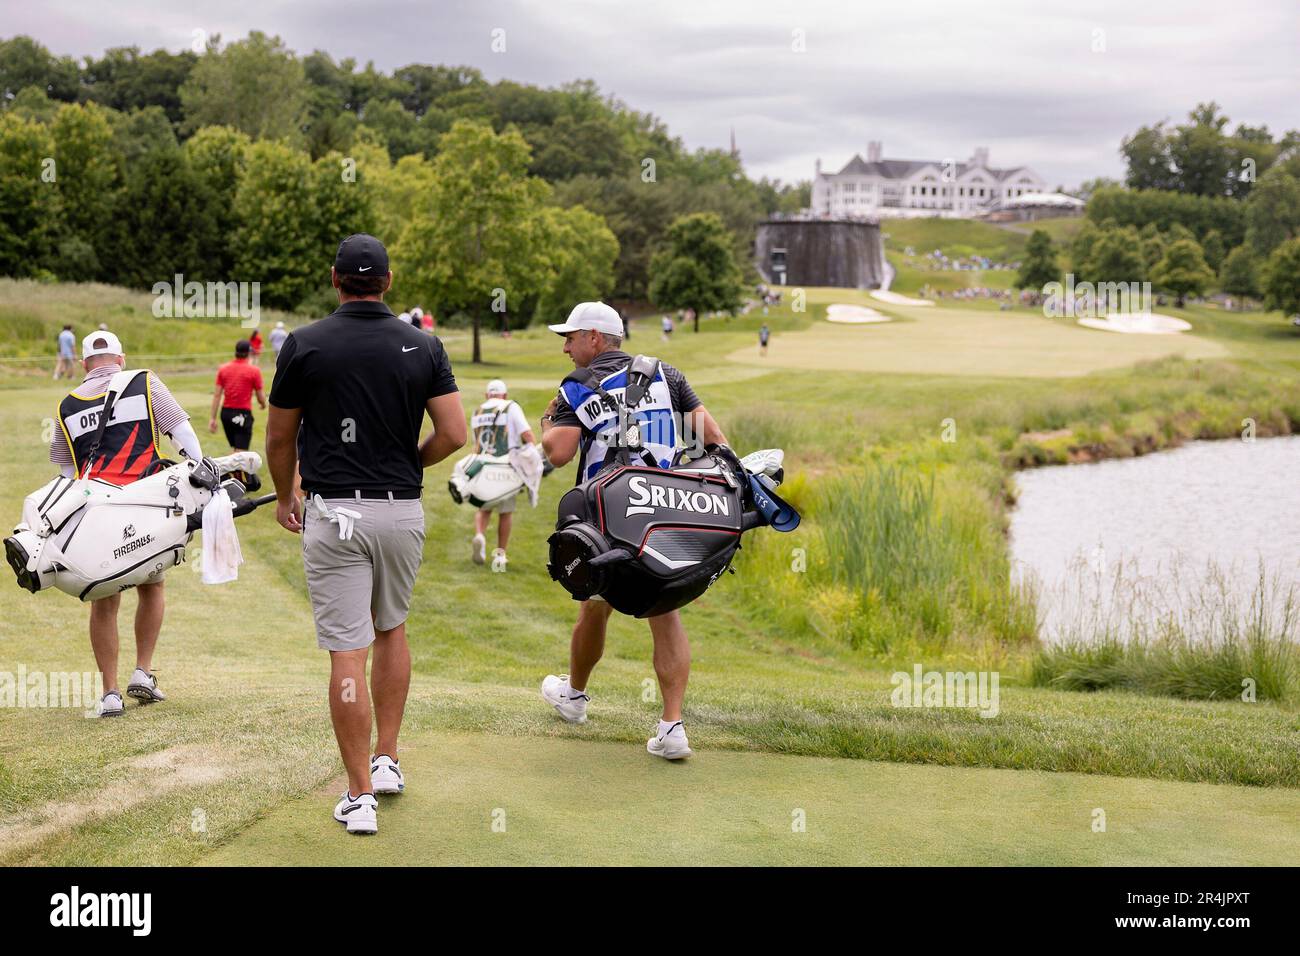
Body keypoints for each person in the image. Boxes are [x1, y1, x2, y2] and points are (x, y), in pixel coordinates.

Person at [266, 233, 466, 836]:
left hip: (333, 513)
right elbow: (455, 434)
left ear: (335, 279)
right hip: (400, 510)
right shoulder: (423, 344)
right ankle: (387, 761)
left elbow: (279, 440)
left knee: (346, 650)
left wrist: (284, 496)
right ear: (388, 280)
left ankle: (358, 798)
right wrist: (408, 465)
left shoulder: (304, 344)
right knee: (392, 630)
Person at [537, 301, 728, 760]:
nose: (566, 347)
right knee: (663, 608)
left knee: (594, 602)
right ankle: (671, 725)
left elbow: (558, 453)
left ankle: (576, 697)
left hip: (605, 521)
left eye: (571, 337)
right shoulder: (669, 375)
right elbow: (715, 442)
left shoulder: (578, 385)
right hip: (665, 513)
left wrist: (548, 422)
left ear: (596, 340)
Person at [49, 330, 204, 717]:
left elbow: (67, 475)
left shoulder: (66, 406)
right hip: (146, 503)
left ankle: (111, 692)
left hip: (97, 511)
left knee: (104, 599)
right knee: (153, 584)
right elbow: (181, 433)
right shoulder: (144, 382)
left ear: (85, 365)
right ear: (121, 358)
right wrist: (201, 475)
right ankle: (142, 671)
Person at [468, 379, 535, 570]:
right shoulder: (510, 407)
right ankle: (499, 555)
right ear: (504, 395)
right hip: (506, 467)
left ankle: (480, 534)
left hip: (483, 465)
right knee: (505, 512)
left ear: (486, 395)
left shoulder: (478, 410)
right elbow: (527, 435)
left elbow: (476, 444)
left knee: (483, 507)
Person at [209, 340, 266, 452]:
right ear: (249, 353)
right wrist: (263, 404)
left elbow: (217, 395)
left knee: (236, 449)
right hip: (242, 415)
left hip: (226, 414)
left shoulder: (223, 369)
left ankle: (234, 469)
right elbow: (260, 396)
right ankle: (233, 470)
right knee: (240, 453)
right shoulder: (254, 371)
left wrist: (212, 418)